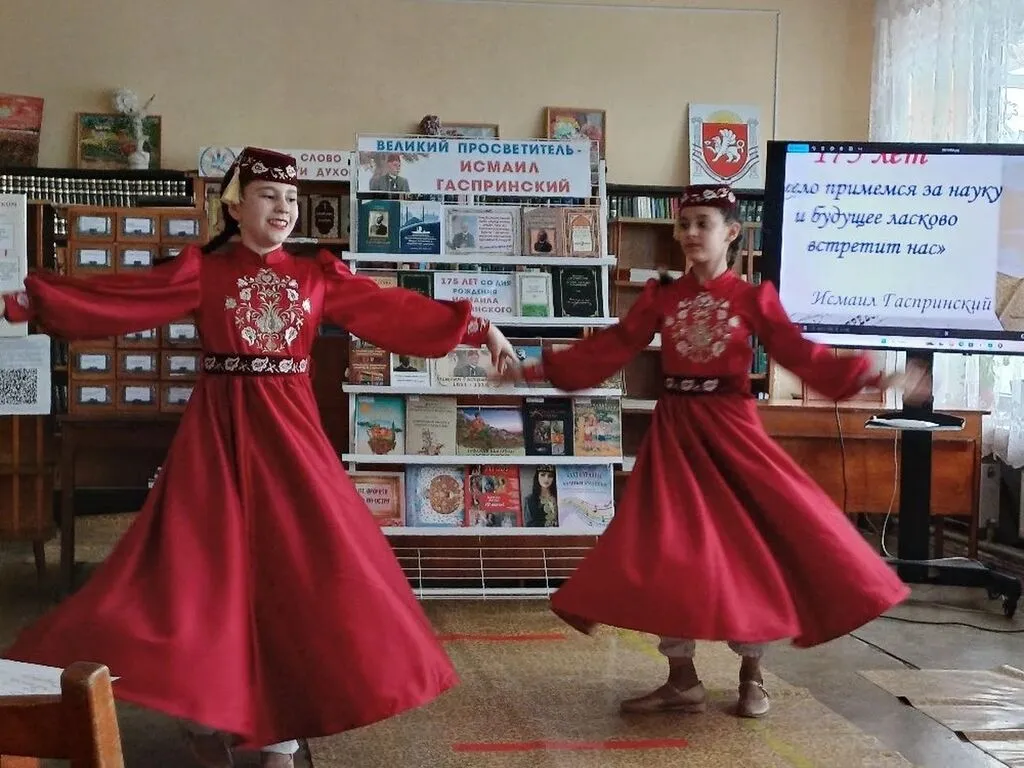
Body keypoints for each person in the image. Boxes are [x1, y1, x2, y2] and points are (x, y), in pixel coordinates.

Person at [1, 147, 519, 767]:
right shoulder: (203, 271)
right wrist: (31, 301)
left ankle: (279, 733)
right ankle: (203, 717)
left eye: (291, 198)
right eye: (269, 195)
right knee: (199, 572)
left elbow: (390, 311)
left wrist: (478, 328)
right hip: (218, 436)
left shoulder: (316, 275)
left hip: (291, 437)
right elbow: (125, 296)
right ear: (235, 204)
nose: (283, 208)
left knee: (301, 568)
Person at [493, 183, 927, 719]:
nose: (691, 233)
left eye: (704, 223)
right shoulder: (662, 296)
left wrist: (873, 376)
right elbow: (612, 347)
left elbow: (800, 354)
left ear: (732, 232)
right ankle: (682, 679)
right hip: (675, 435)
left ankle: (752, 673)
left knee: (746, 550)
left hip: (731, 433)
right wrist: (533, 369)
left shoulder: (752, 298)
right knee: (667, 551)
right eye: (684, 224)